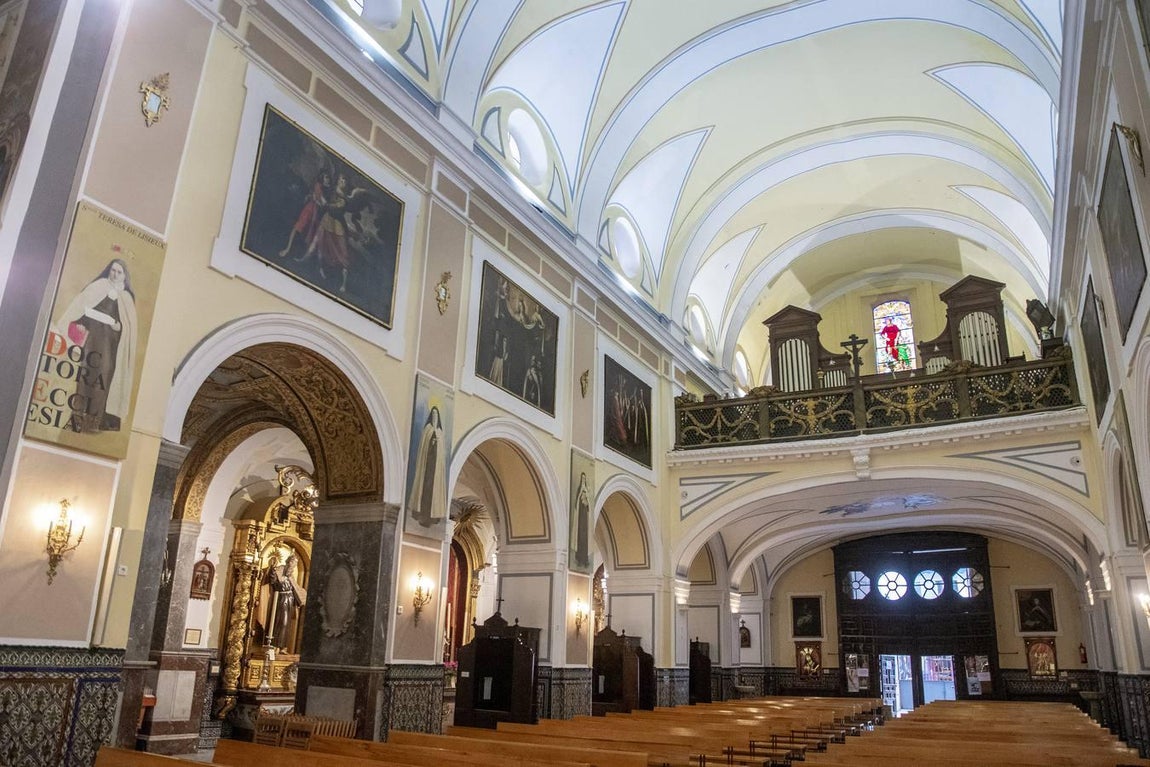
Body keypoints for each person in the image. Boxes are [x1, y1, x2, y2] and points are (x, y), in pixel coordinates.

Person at [56, 255, 138, 433]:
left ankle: (93, 421)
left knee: (103, 378)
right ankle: (76, 417)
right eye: (113, 270)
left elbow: (127, 328)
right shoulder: (98, 287)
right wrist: (80, 321)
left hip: (110, 346)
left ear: (125, 276)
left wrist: (118, 326)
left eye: (119, 272)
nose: (115, 275)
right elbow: (82, 308)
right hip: (91, 341)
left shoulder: (126, 298)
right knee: (85, 375)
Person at [409, 406, 447, 528]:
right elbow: (423, 449)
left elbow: (441, 455)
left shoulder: (440, 433)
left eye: (437, 414)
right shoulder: (427, 429)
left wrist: (436, 444)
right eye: (433, 414)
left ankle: (432, 516)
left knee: (433, 492)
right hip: (427, 467)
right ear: (431, 416)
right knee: (424, 490)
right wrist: (431, 444)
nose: (435, 416)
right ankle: (421, 513)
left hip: (435, 469)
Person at [278, 169, 329, 257]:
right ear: (322, 178)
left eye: (328, 178)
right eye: (326, 177)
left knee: (309, 233)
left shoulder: (324, 188)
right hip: (310, 210)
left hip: (315, 212)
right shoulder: (318, 186)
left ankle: (298, 252)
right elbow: (322, 202)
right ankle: (287, 249)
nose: (328, 180)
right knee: (298, 227)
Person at [264, 550, 306, 651]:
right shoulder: (279, 570)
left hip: (290, 600)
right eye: (292, 563)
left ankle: (283, 647)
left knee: (288, 625)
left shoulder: (290, 575)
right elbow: (273, 581)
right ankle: (275, 645)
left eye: (295, 564)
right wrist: (273, 570)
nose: (293, 566)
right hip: (282, 599)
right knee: (281, 622)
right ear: (288, 562)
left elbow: (295, 587)